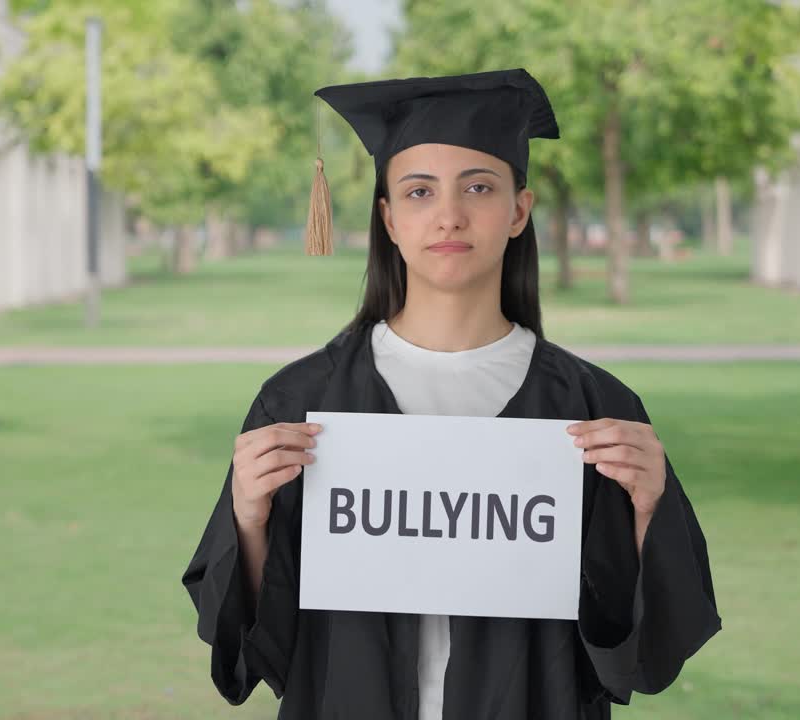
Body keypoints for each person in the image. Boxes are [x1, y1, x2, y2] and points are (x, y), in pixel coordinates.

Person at [182, 68, 721, 719]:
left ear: (519, 210)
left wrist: (645, 514)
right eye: (418, 191)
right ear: (388, 218)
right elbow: (257, 654)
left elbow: (643, 658)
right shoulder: (302, 402)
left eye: (478, 186)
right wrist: (249, 520)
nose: (448, 214)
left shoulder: (590, 409)